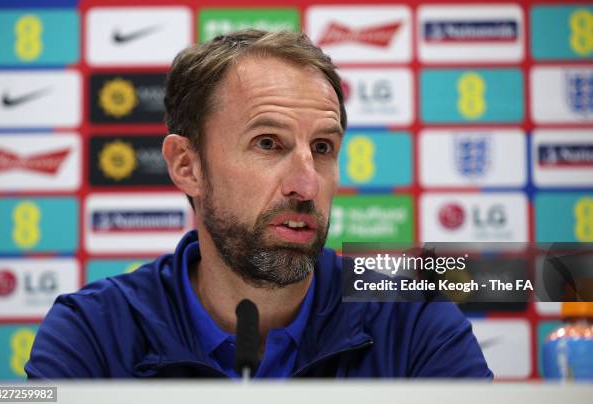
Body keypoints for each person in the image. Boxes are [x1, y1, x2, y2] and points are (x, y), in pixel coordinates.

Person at [26, 29, 493, 379]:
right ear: (187, 166)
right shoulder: (93, 332)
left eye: (324, 148)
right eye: (268, 143)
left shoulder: (412, 317)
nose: (306, 186)